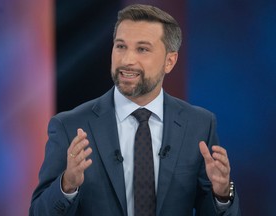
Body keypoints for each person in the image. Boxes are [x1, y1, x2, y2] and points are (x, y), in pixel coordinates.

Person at [30, 4, 241, 216]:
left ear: (169, 61)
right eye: (120, 46)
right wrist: (66, 186)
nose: (127, 60)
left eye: (142, 49)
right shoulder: (69, 126)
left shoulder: (199, 125)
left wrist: (222, 194)